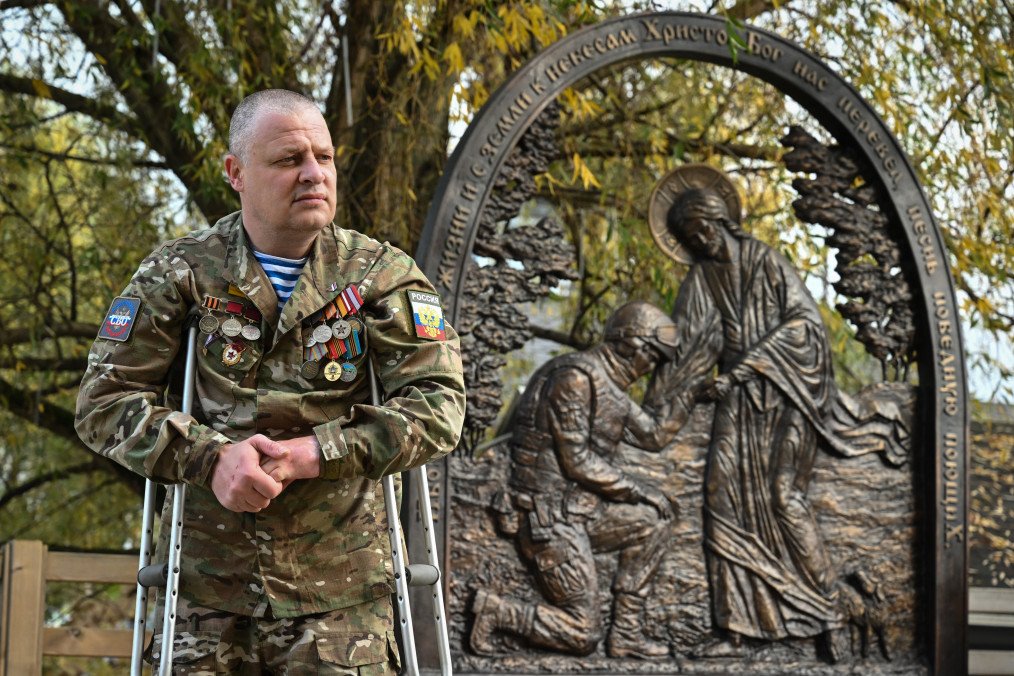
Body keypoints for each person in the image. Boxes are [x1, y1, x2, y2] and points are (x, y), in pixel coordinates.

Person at [75, 89, 466, 673]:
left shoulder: (381, 276)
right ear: (236, 173)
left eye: (324, 158)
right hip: (205, 593)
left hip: (342, 602)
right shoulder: (182, 272)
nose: (313, 174)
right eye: (289, 160)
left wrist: (316, 451)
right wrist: (212, 458)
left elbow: (439, 409)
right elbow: (102, 404)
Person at [649, 182, 902, 658]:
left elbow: (806, 328)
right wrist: (665, 395)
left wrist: (748, 366)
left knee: (785, 500)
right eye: (686, 236)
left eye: (698, 229)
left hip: (787, 398)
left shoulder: (765, 261)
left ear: (718, 219)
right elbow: (689, 345)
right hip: (737, 405)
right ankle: (736, 630)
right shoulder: (702, 278)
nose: (695, 241)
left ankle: (828, 612)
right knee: (720, 499)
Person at [470, 301, 706, 659]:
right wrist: (640, 490)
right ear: (633, 345)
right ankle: (497, 611)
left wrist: (692, 395)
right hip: (547, 520)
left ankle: (626, 634)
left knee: (654, 523)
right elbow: (577, 461)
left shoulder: (612, 390)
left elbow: (653, 436)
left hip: (581, 514)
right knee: (583, 634)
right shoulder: (574, 379)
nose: (650, 368)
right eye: (653, 358)